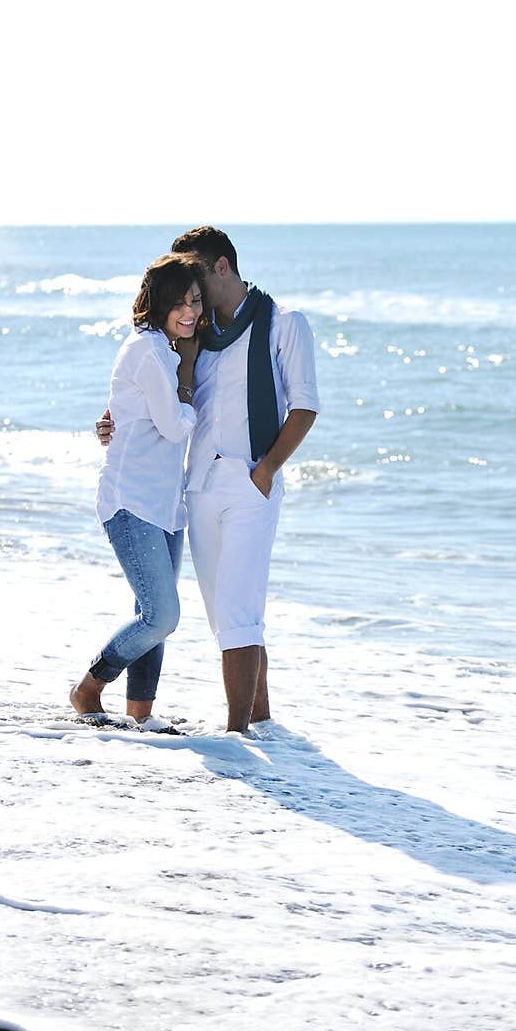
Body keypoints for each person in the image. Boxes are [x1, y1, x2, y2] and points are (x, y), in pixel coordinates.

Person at [98, 226, 320, 733]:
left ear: (222, 266)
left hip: (249, 483)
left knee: (240, 610)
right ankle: (262, 722)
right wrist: (110, 420)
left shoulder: (284, 324)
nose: (191, 297)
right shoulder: (191, 337)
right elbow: (148, 392)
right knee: (227, 615)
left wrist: (264, 471)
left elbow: (305, 406)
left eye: (197, 278)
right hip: (195, 487)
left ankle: (237, 735)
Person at [71, 253, 204, 729]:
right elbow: (172, 427)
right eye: (179, 303)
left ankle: (141, 716)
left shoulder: (164, 349)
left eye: (195, 301)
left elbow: (123, 414)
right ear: (158, 304)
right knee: (162, 615)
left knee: (150, 613)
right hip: (131, 501)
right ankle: (89, 687)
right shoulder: (149, 352)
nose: (189, 311)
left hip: (166, 504)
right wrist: (187, 389)